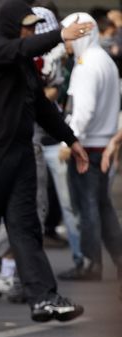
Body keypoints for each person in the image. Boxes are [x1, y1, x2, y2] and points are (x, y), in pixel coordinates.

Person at [0, 0, 91, 324]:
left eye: (35, 25)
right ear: (10, 24)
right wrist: (60, 35)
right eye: (26, 24)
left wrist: (72, 140)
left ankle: (43, 298)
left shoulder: (24, 64)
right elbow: (23, 45)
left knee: (26, 228)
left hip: (19, 154)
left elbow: (42, 108)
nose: (31, 30)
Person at [58, 12, 122, 281]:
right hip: (102, 144)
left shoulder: (86, 65)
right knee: (102, 206)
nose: (65, 43)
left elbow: (82, 111)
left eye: (70, 35)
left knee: (87, 207)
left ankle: (91, 263)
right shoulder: (105, 60)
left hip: (86, 145)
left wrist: (69, 141)